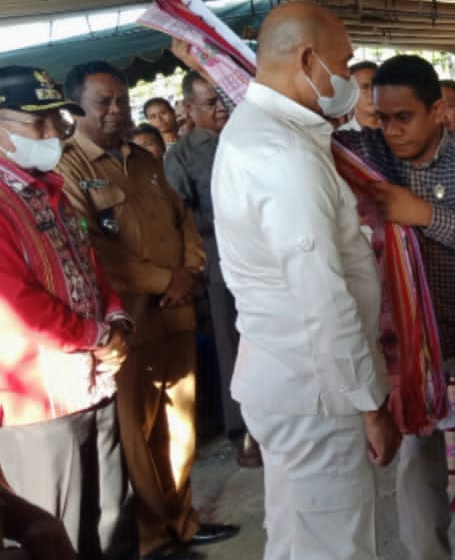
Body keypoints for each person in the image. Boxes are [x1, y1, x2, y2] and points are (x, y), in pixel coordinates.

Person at [211, 1, 401, 560]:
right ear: (308, 59)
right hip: (318, 389)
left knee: (298, 534)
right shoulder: (282, 154)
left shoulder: (262, 132)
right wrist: (370, 405)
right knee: (335, 544)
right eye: (343, 66)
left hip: (289, 377)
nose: (346, 80)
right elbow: (323, 297)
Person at [339, 57, 455, 560]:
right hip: (412, 351)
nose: (392, 131)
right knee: (417, 464)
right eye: (382, 117)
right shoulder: (370, 155)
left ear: (438, 110)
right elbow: (308, 137)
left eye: (404, 117)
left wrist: (418, 212)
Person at [57, 63, 232, 559]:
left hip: (175, 312)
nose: (116, 111)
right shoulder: (71, 168)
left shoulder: (144, 158)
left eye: (121, 102)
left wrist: (191, 271)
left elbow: (183, 221)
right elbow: (95, 249)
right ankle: (152, 535)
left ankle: (182, 521)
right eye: (103, 104)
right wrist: (163, 279)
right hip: (130, 319)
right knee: (136, 433)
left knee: (180, 424)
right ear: (78, 109)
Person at [0, 67, 134, 560]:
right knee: (61, 535)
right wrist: (100, 336)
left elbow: (90, 265)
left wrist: (116, 324)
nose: (54, 131)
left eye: (57, 118)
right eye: (37, 122)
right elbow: (16, 309)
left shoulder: (50, 188)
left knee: (112, 522)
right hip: (39, 404)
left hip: (94, 381)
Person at [162, 73, 260, 469]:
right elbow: (178, 216)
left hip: (266, 256)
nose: (221, 109)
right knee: (232, 349)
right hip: (220, 263)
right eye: (209, 103)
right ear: (188, 109)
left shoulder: (250, 138)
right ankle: (244, 432)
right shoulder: (183, 155)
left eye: (224, 100)